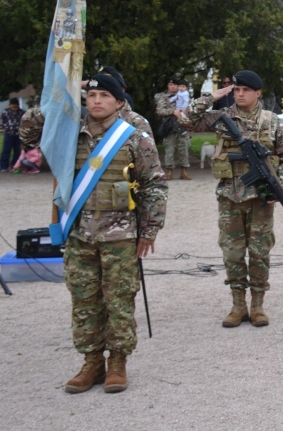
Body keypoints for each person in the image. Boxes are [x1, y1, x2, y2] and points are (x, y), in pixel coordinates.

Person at [20, 75, 167, 393]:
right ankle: (91, 362)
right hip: (79, 233)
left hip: (120, 236)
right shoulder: (69, 130)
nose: (97, 100)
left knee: (118, 301)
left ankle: (117, 362)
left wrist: (150, 229)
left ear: (118, 101)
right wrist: (60, 98)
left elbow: (154, 183)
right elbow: (27, 133)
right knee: (84, 301)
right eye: (91, 95)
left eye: (104, 95)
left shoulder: (133, 135)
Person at [176, 70, 283, 328]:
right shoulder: (221, 118)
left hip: (260, 198)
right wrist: (210, 96)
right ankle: (238, 305)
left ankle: (258, 305)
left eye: (245, 90)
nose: (239, 94)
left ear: (258, 93)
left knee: (259, 252)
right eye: (236, 90)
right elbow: (185, 121)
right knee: (232, 253)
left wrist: (280, 186)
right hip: (230, 197)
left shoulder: (273, 122)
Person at [154, 78, 191, 180]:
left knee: (184, 149)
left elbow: (191, 108)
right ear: (167, 85)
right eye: (170, 84)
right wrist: (173, 111)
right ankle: (169, 171)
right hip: (169, 127)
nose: (173, 86)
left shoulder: (185, 95)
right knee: (169, 149)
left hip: (183, 126)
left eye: (175, 84)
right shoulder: (163, 97)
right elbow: (160, 110)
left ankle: (184, 171)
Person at [1, 98, 23, 172]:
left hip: (18, 134)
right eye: (13, 107)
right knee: (6, 150)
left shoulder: (21, 113)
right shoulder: (5, 112)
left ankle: (15, 165)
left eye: (16, 107)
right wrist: (6, 127)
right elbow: (1, 121)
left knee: (17, 151)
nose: (14, 109)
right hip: (8, 134)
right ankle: (3, 166)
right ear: (9, 105)